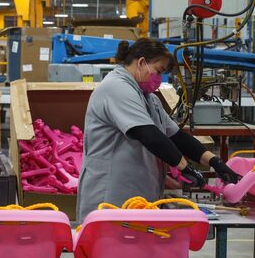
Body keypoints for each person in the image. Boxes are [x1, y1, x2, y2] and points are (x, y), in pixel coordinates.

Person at [76, 37, 241, 220]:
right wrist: (185, 168)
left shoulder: (149, 99)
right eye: (158, 71)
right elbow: (149, 135)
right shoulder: (116, 88)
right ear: (141, 62)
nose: (159, 79)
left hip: (135, 196)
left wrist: (215, 162)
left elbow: (176, 137)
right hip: (110, 196)